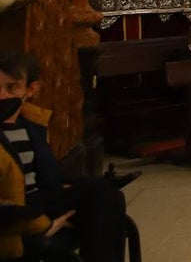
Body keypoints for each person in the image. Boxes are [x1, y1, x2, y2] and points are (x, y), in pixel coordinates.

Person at [0, 52, 127, 262]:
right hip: (17, 211)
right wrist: (44, 225)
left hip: (39, 198)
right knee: (101, 196)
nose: (2, 95)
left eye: (11, 88)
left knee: (109, 197)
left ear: (31, 90)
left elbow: (48, 175)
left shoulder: (32, 125)